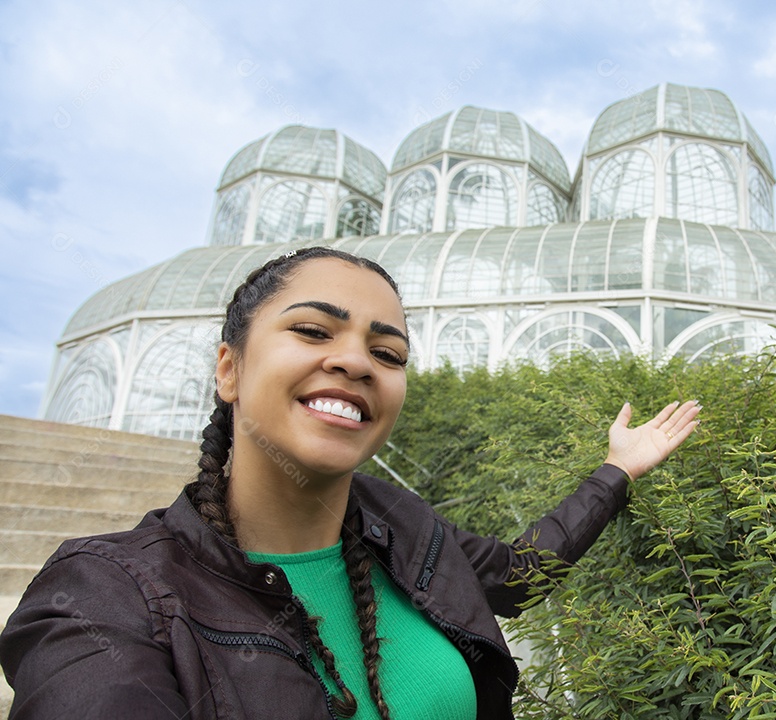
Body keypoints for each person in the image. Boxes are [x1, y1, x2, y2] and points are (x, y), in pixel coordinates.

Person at [0, 246, 700, 719]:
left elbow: (518, 575)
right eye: (312, 331)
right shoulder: (105, 597)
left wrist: (618, 469)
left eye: (386, 351)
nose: (356, 362)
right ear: (229, 370)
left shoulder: (405, 529)